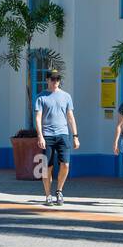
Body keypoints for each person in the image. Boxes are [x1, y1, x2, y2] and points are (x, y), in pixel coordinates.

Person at [34, 69, 79, 206]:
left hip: (63, 135)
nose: (55, 82)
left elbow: (70, 117)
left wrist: (75, 136)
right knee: (47, 167)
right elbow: (38, 118)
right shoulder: (41, 97)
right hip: (47, 136)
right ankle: (48, 195)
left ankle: (59, 191)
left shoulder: (66, 96)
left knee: (65, 164)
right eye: (52, 79)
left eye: (57, 79)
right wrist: (40, 136)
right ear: (47, 80)